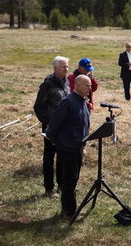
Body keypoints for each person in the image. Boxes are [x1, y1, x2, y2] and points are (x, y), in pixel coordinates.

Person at [45, 75, 92, 218]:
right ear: (77, 85)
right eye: (87, 85)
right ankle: (68, 213)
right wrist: (53, 140)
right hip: (67, 148)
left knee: (74, 179)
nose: (90, 89)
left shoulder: (82, 101)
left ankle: (70, 209)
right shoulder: (68, 102)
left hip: (77, 147)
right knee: (69, 182)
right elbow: (54, 124)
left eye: (90, 86)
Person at [33, 55, 70, 197]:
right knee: (49, 157)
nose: (66, 69)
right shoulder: (47, 84)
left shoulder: (66, 82)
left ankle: (61, 185)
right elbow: (38, 106)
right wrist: (48, 123)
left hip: (64, 127)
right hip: (50, 127)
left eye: (67, 66)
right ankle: (49, 188)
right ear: (55, 68)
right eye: (63, 66)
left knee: (62, 156)